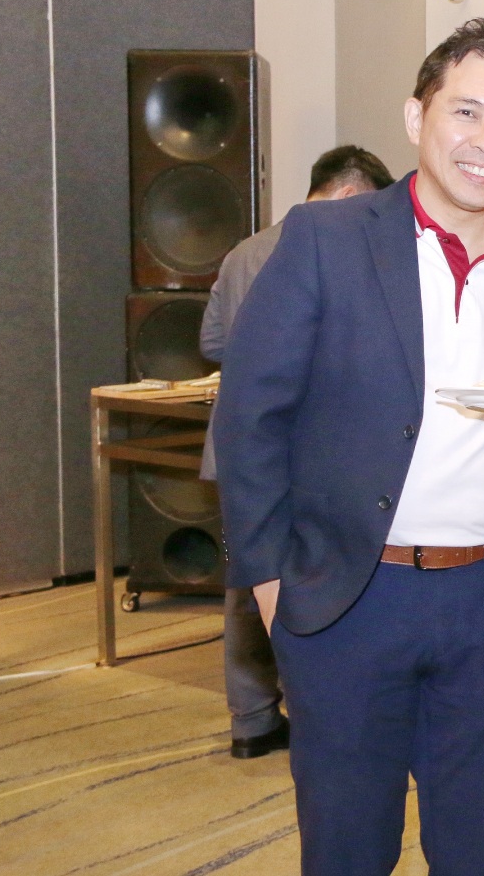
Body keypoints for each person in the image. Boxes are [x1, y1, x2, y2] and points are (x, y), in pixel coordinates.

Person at [214, 18, 484, 876]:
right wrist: (277, 595)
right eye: (467, 112)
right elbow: (248, 424)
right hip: (351, 599)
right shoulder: (326, 241)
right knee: (348, 851)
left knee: (480, 853)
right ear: (416, 115)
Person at [199, 145, 393, 760]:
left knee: (246, 585)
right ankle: (325, 710)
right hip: (305, 448)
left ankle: (251, 719)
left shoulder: (242, 251)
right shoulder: (338, 253)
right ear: (347, 194)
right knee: (322, 578)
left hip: (238, 451)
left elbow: (211, 341)